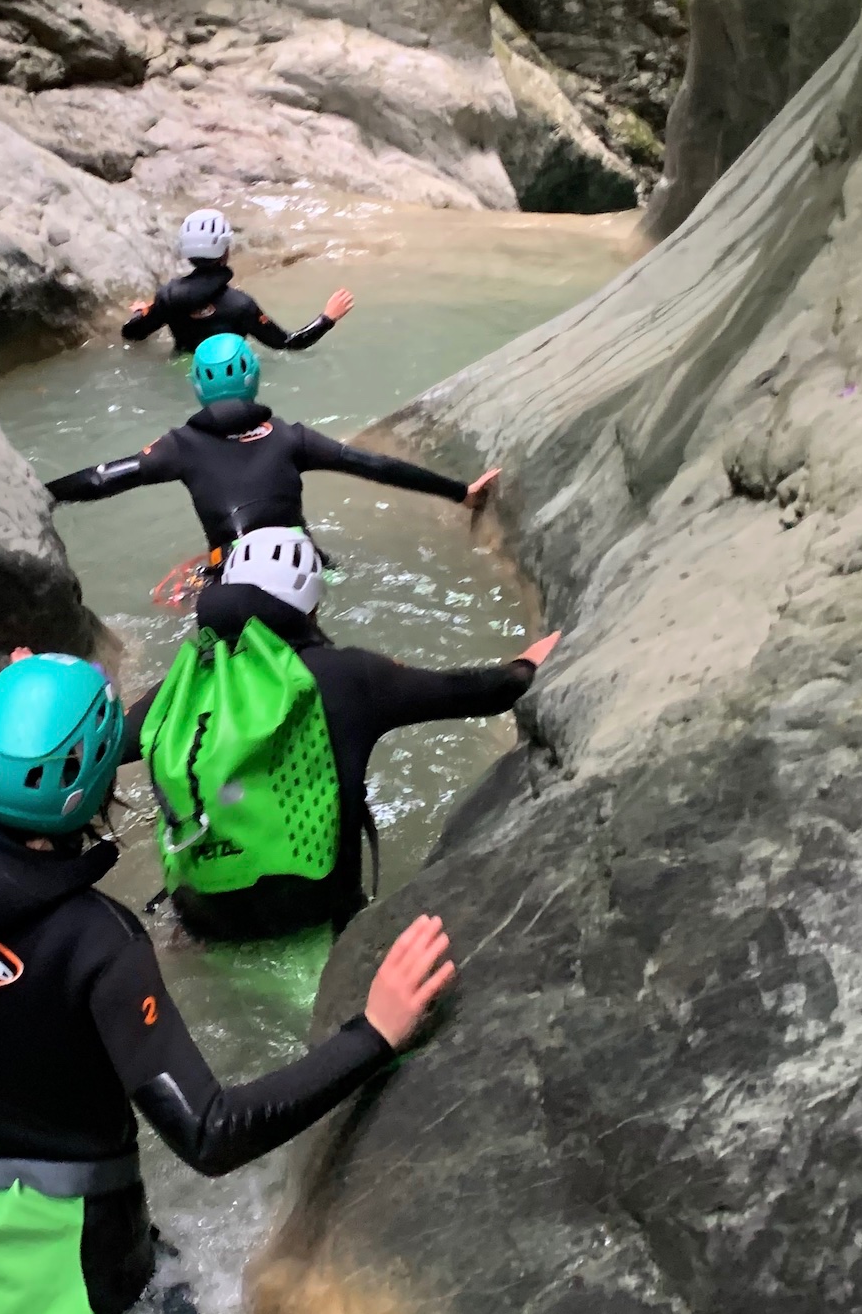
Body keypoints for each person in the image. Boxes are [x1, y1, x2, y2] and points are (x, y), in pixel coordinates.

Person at [0, 659, 457, 1314]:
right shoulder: (100, 942)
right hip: (83, 1283)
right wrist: (372, 1032)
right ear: (104, 780)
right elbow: (210, 1133)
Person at [124, 528, 560, 941]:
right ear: (312, 605)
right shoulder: (351, 676)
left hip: (202, 920)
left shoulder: (177, 689)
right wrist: (525, 668)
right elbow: (469, 693)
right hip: (315, 915)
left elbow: (97, 750)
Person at [46, 332, 500, 570]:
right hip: (304, 566)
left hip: (233, 572)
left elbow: (104, 477)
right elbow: (375, 466)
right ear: (256, 380)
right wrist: (461, 492)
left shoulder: (178, 448)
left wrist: (43, 495)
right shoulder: (292, 438)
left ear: (198, 388)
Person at [122, 208, 353, 355]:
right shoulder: (241, 306)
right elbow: (289, 344)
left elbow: (132, 333)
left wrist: (142, 313)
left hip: (181, 370)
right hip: (230, 375)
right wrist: (327, 318)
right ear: (225, 251)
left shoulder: (167, 297)